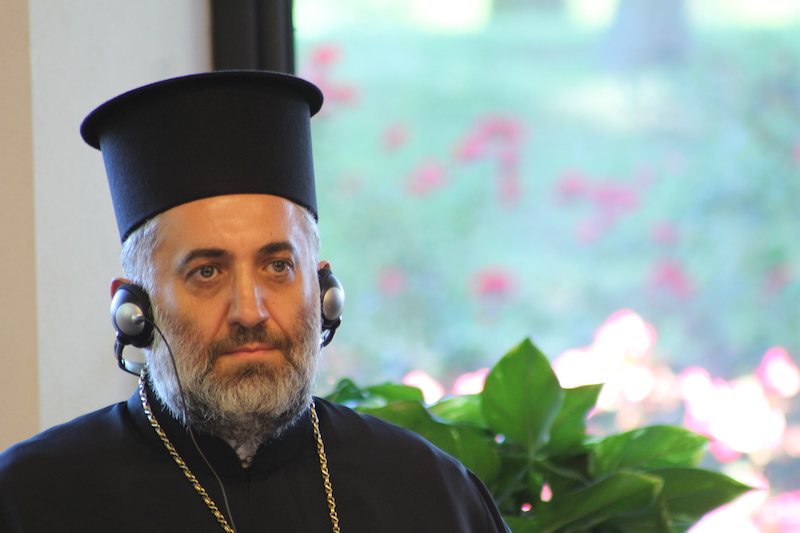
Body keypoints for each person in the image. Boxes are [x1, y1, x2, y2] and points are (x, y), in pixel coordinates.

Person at [0, 71, 509, 532]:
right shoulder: (29, 499)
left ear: (324, 290)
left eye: (278, 267)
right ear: (135, 310)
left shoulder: (431, 492)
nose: (249, 312)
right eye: (207, 272)